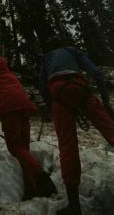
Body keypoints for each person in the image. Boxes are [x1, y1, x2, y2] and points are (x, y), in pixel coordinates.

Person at [39, 42, 114, 215]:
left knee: (68, 148)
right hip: (80, 88)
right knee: (111, 130)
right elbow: (95, 72)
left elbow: (43, 86)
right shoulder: (72, 51)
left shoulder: (46, 58)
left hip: (58, 94)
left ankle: (74, 206)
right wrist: (105, 101)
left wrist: (52, 109)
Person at [0, 50, 56, 200]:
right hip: (23, 104)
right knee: (24, 147)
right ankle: (32, 187)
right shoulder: (5, 67)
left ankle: (40, 174)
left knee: (15, 146)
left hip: (9, 106)